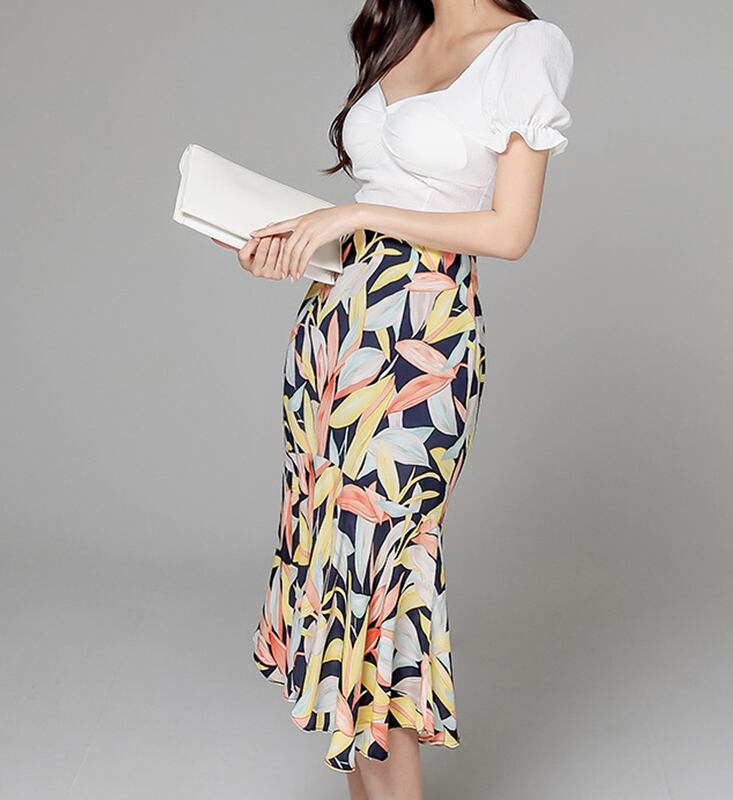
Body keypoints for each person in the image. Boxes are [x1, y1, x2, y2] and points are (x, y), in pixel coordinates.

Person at [217, 2, 573, 797]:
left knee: (380, 585)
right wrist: (286, 239)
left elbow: (510, 231)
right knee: (338, 579)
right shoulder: (401, 30)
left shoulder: (525, 49)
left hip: (424, 342)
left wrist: (357, 211)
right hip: (334, 330)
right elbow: (367, 217)